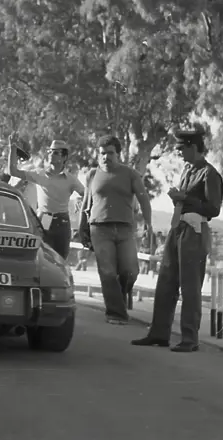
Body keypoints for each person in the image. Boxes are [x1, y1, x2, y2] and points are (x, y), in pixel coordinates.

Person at [132, 128, 223, 352]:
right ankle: (159, 333)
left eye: (182, 149)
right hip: (178, 226)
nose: (180, 153)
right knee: (166, 282)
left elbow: (213, 208)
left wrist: (186, 198)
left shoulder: (209, 174)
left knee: (190, 287)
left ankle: (190, 339)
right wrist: (179, 199)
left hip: (195, 229)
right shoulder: (187, 170)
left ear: (194, 147)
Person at [79, 134, 152, 325]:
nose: (105, 157)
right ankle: (116, 313)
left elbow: (144, 199)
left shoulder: (130, 174)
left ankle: (116, 298)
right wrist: (81, 229)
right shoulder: (92, 175)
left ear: (118, 154)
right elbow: (86, 204)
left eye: (110, 153)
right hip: (99, 229)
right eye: (102, 153)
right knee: (108, 272)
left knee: (130, 271)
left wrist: (148, 225)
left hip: (125, 229)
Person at [6, 137, 84, 260]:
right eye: (50, 151)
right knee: (40, 257)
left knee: (60, 259)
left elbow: (85, 193)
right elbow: (13, 171)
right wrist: (12, 149)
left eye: (56, 152)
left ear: (64, 158)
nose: (51, 154)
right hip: (44, 220)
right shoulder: (39, 174)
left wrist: (80, 199)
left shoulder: (70, 179)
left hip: (62, 222)